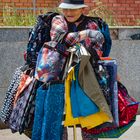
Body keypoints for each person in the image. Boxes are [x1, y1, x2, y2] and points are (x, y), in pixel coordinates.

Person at [48, 0, 106, 139]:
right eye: (66, 9)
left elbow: (98, 50)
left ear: (82, 9)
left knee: (88, 115)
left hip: (85, 77)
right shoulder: (58, 20)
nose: (68, 13)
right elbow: (60, 39)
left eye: (73, 9)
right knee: (60, 119)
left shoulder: (92, 24)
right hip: (59, 77)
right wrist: (86, 34)